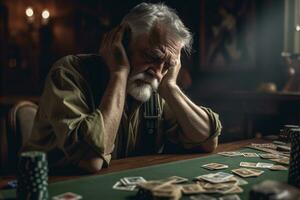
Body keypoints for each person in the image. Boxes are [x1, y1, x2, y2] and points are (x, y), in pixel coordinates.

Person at [23, 3, 222, 173]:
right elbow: (91, 160)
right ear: (122, 42)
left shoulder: (157, 85)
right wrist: (119, 73)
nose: (158, 73)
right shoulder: (69, 72)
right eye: (152, 57)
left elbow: (206, 140)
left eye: (167, 65)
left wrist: (169, 87)